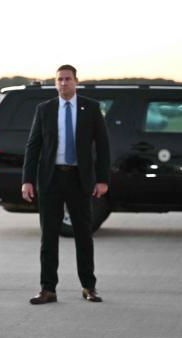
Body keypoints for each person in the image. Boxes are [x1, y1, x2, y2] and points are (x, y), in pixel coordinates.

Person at [21, 64, 110, 305]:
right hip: (51, 179)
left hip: (80, 179)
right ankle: (48, 289)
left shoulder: (91, 108)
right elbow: (33, 146)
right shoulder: (45, 109)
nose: (63, 83)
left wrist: (103, 180)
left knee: (83, 234)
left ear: (76, 82)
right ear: (55, 83)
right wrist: (27, 180)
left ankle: (89, 286)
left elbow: (102, 146)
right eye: (59, 79)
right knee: (48, 236)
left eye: (68, 79)